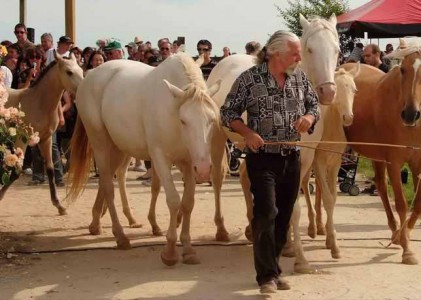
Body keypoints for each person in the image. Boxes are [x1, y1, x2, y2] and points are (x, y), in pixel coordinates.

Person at [220, 30, 319, 294]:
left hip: (291, 157)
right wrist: (247, 133)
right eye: (294, 52)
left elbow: (314, 105)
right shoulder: (249, 80)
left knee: (284, 217)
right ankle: (265, 277)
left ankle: (273, 270)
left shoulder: (300, 78)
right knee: (266, 214)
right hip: (262, 160)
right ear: (276, 53)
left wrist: (309, 119)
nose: (299, 56)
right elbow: (227, 112)